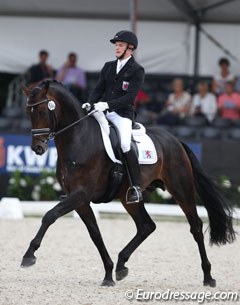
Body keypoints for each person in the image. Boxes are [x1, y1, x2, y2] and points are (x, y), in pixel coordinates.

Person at [82, 30, 144, 204]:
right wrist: (90, 102)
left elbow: (129, 98)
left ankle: (136, 187)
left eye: (121, 45)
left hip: (122, 114)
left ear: (130, 48)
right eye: (116, 45)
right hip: (102, 110)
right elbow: (98, 89)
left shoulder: (137, 70)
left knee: (124, 143)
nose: (117, 48)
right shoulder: (108, 66)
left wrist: (107, 105)